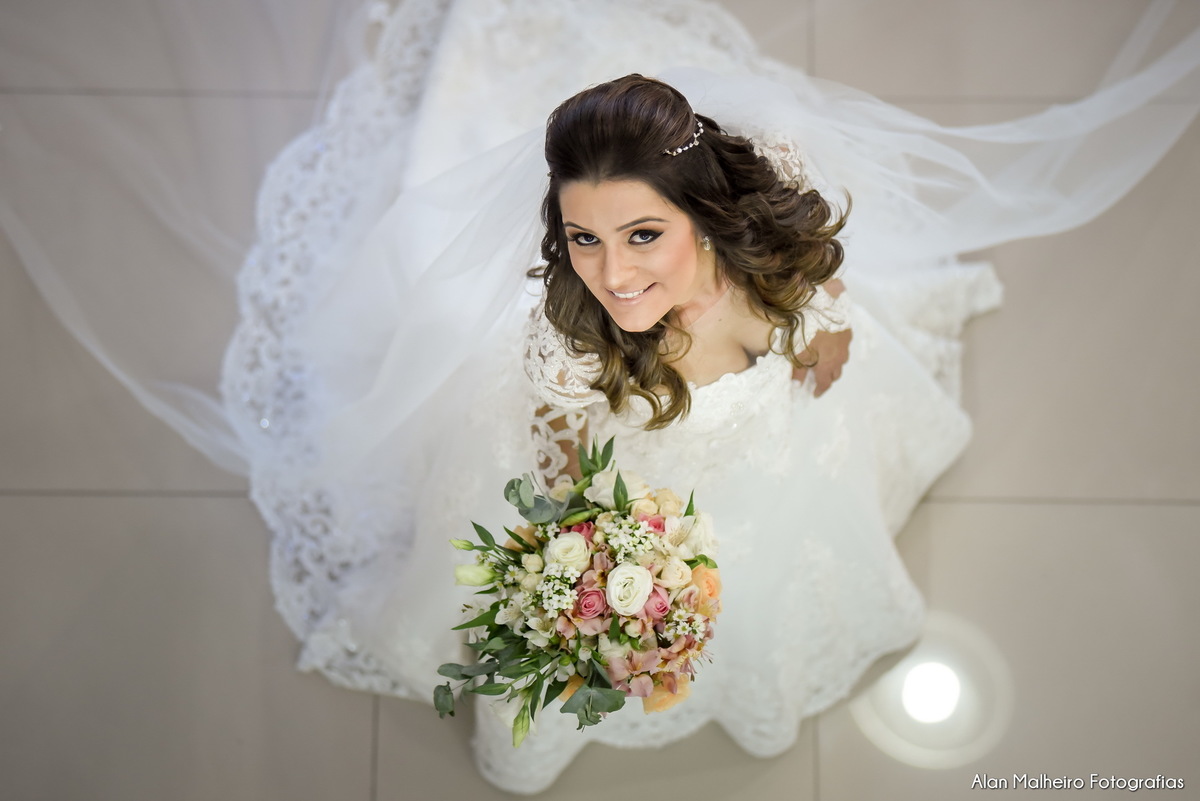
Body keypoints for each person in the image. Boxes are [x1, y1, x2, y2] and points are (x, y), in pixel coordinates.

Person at [2, 0, 1198, 796]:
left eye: (641, 236)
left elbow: (821, 328)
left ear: (706, 220)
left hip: (764, 464)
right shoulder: (565, 343)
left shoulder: (772, 270)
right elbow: (560, 467)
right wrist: (601, 570)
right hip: (623, 499)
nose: (613, 277)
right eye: (582, 239)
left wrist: (815, 365)